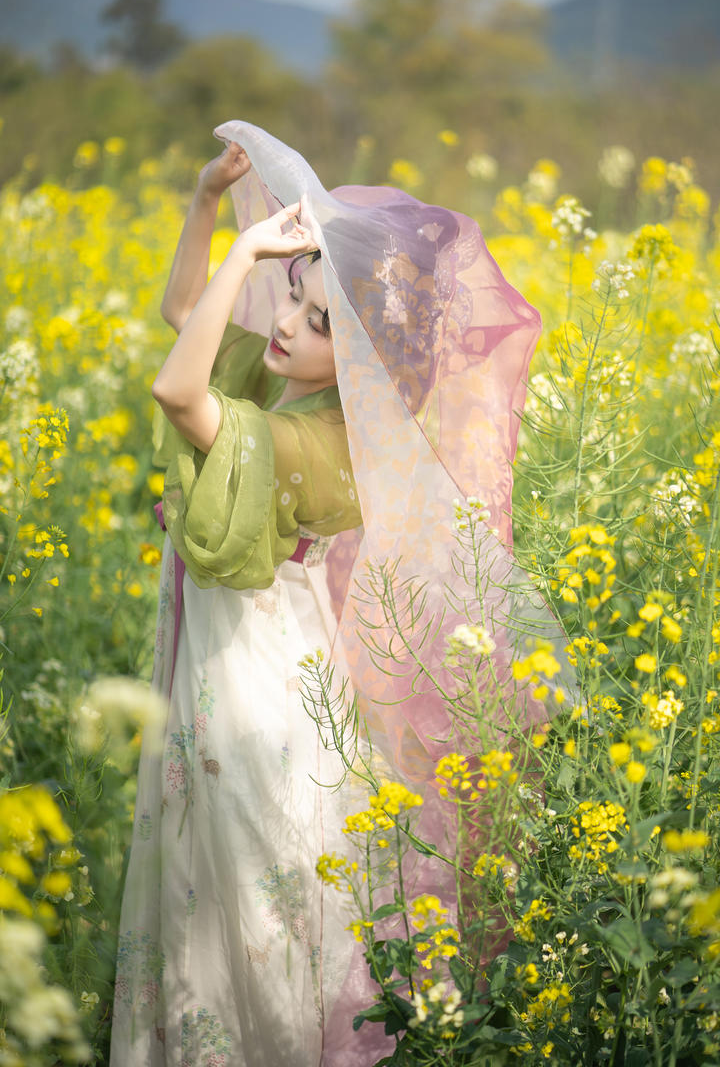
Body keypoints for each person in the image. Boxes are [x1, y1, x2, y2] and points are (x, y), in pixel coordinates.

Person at [110, 122, 571, 1066]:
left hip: (256, 678)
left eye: (321, 320)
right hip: (254, 650)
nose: (284, 324)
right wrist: (208, 206)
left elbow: (175, 387)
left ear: (363, 358)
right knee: (222, 875)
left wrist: (248, 248)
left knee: (243, 883)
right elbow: (184, 314)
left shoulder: (316, 445)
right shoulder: (295, 393)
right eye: (293, 296)